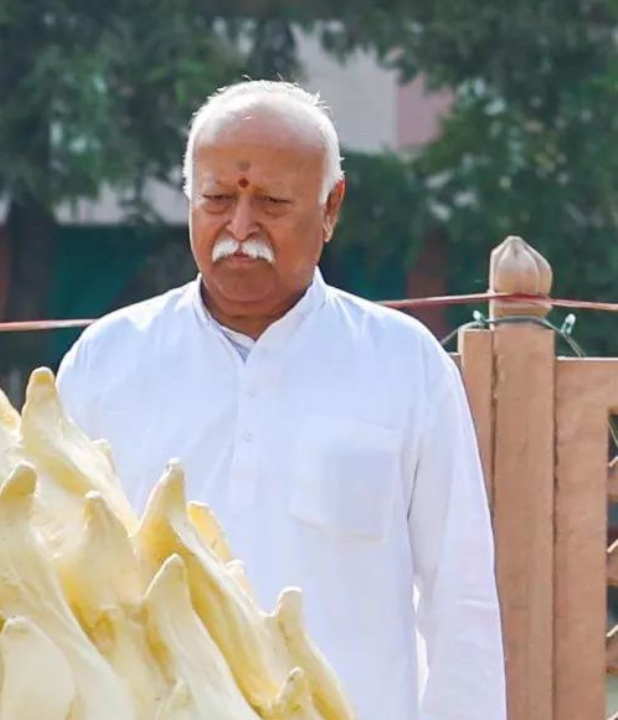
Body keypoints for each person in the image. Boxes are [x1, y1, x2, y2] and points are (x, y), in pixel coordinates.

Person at [56, 80, 505, 720]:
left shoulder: (407, 367)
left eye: (271, 202)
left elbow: (459, 598)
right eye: (215, 200)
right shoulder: (108, 360)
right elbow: (58, 576)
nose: (240, 228)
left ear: (330, 207)